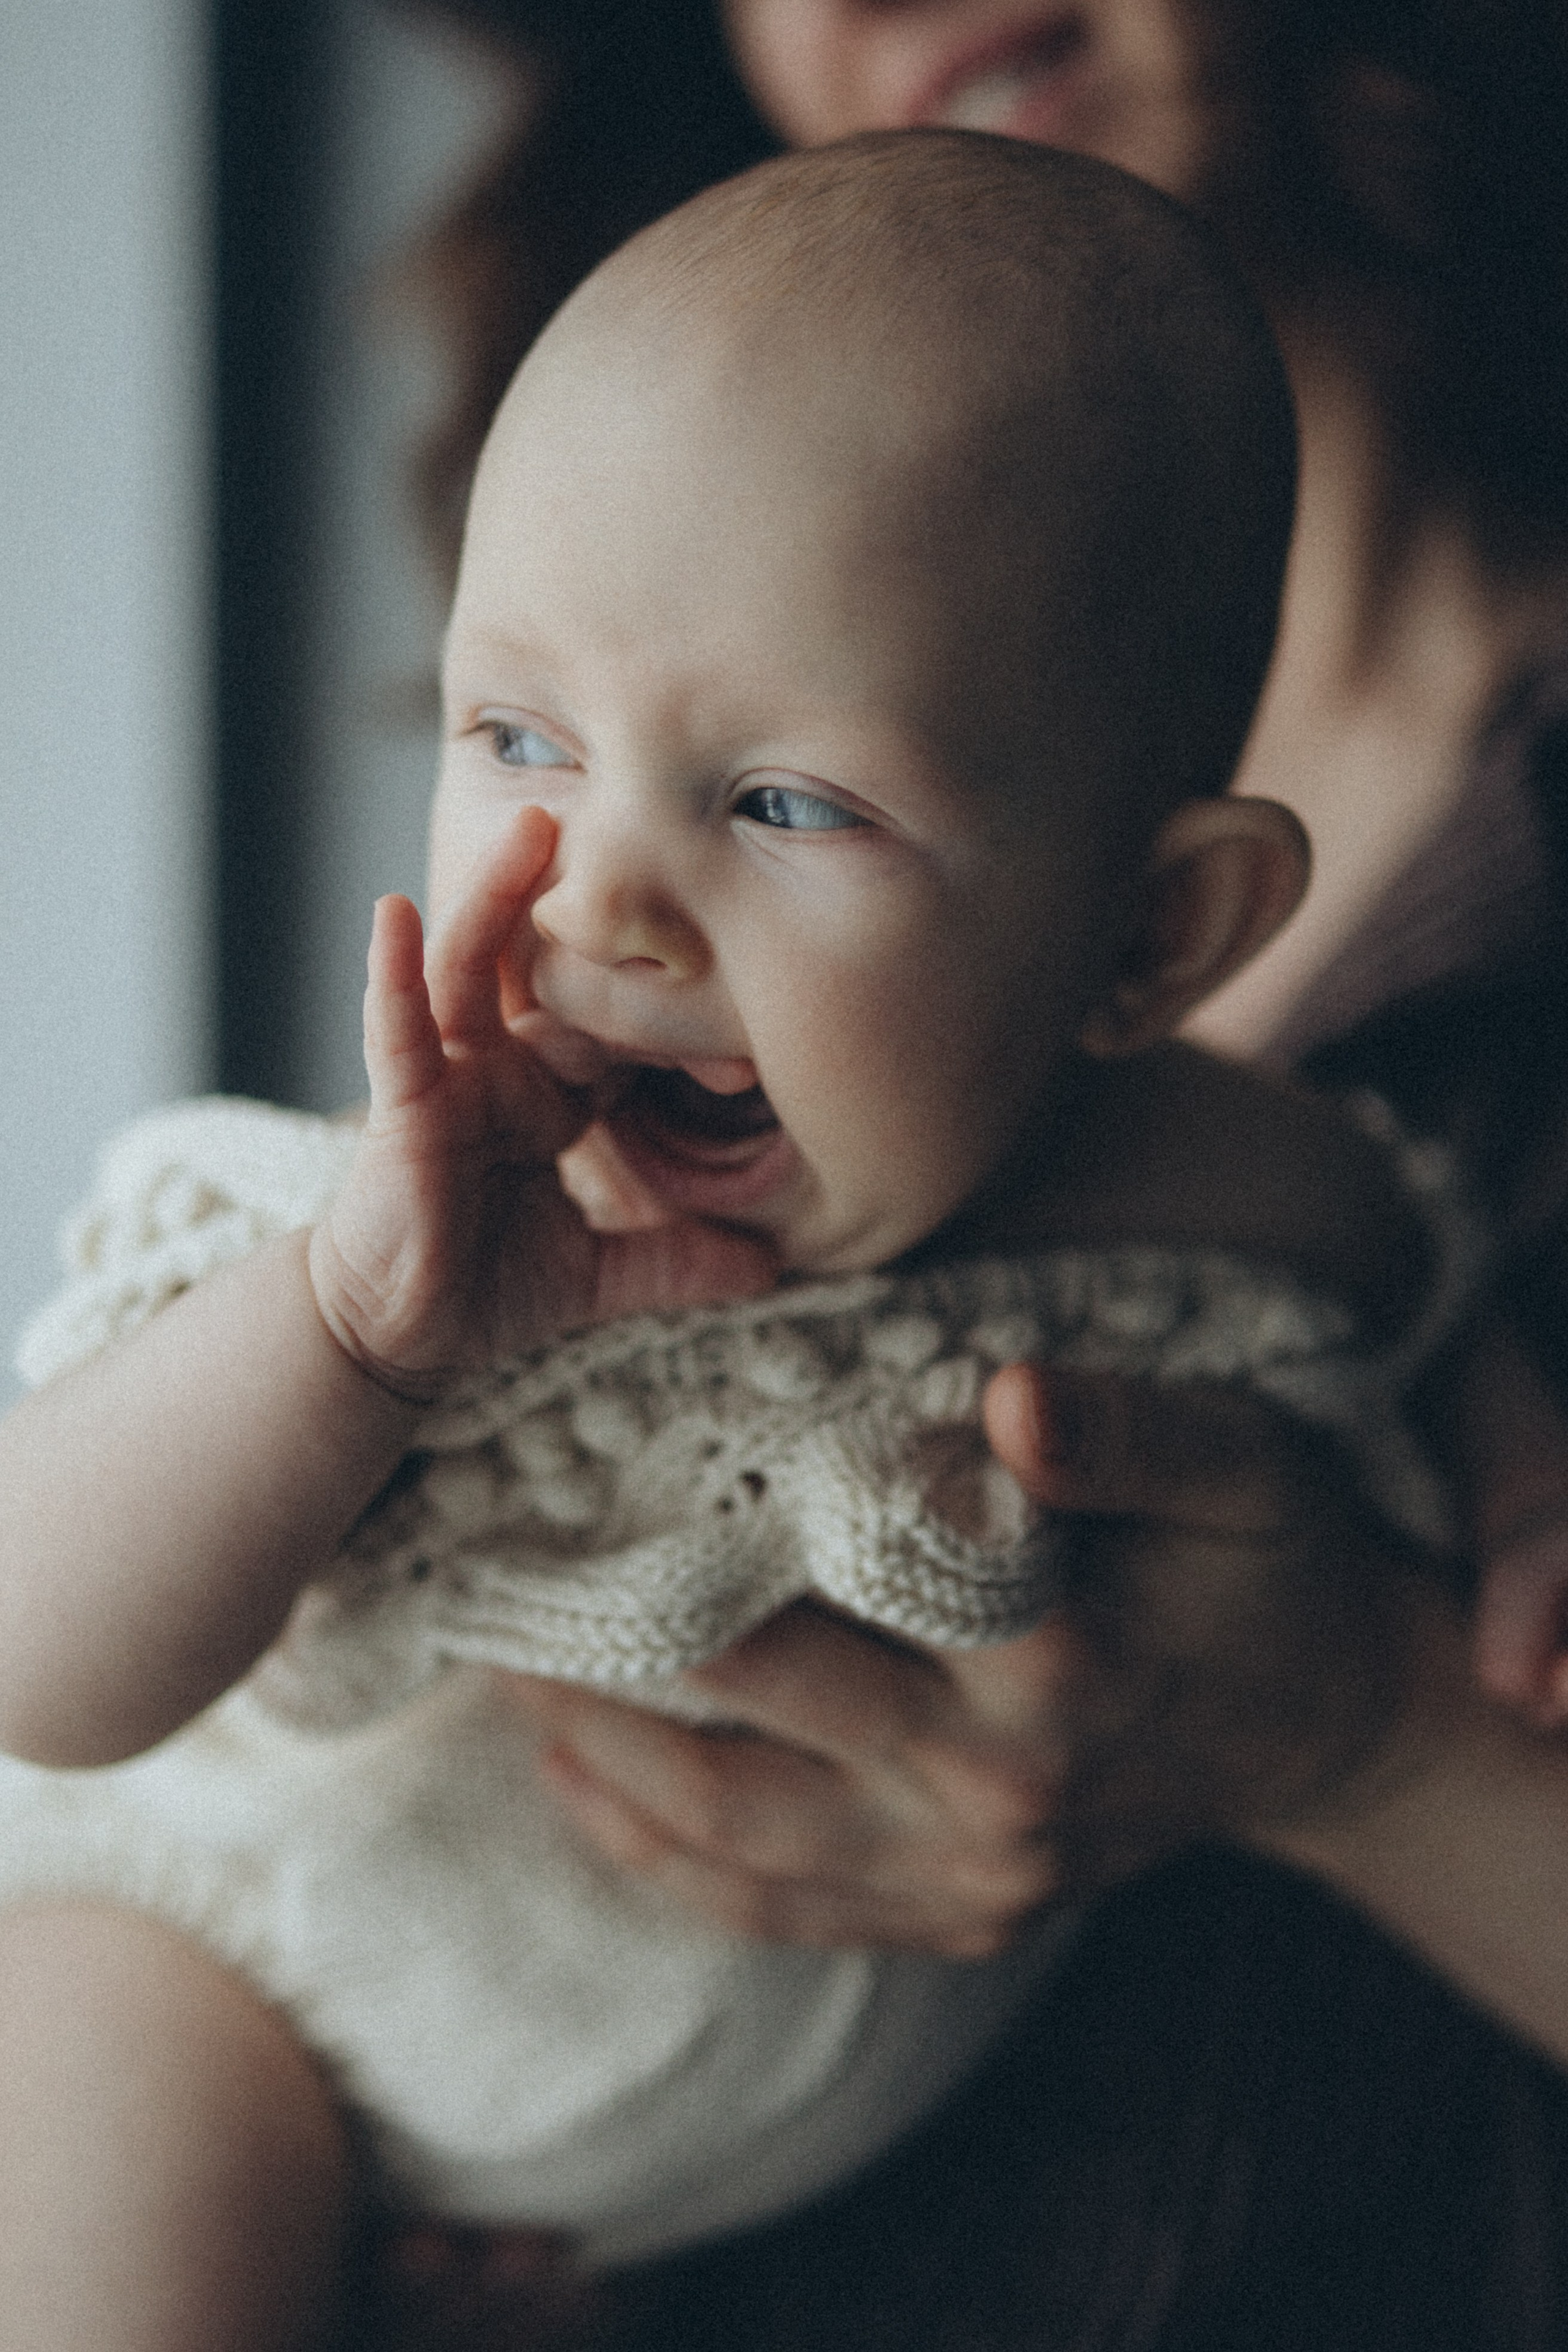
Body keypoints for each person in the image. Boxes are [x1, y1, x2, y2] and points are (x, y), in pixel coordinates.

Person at [0, 130, 1532, 2351]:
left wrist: (1521, 1484)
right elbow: (43, 1674)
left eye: (785, 801)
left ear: (1150, 933)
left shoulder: (1202, 1183)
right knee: (104, 2144)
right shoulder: (386, 1254)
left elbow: (1424, 1260)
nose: (605, 897)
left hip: (678, 2226)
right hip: (239, 1964)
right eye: (518, 734)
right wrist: (344, 1337)